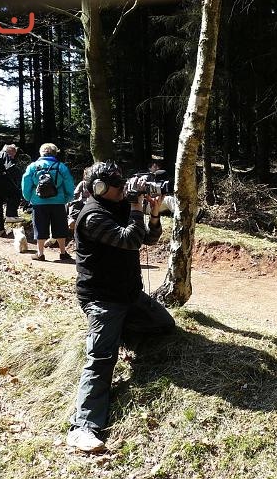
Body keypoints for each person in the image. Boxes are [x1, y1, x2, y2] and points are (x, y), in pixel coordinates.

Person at [67, 161, 175, 453]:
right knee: (102, 358)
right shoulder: (92, 216)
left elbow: (149, 238)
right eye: (116, 185)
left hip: (128, 294)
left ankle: (121, 333)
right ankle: (83, 427)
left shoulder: (120, 204)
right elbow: (130, 240)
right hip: (102, 299)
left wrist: (153, 213)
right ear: (99, 188)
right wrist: (137, 206)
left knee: (165, 325)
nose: (122, 188)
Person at [21, 143, 75, 261]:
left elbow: (26, 184)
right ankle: (63, 253)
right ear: (55, 153)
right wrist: (67, 198)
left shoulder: (33, 167)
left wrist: (29, 198)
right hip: (58, 202)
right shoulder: (61, 167)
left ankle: (40, 254)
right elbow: (69, 184)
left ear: (41, 153)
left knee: (40, 227)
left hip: (38, 202)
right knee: (60, 227)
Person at [0, 144, 23, 237]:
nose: (13, 157)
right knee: (15, 192)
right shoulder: (4, 154)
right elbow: (10, 167)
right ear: (10, 151)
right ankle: (11, 215)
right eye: (13, 155)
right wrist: (21, 177)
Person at [67, 166, 92, 234]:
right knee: (74, 204)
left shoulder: (95, 184)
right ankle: (72, 220)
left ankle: (73, 219)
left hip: (91, 203)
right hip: (83, 202)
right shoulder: (83, 183)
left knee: (75, 204)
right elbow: (75, 194)